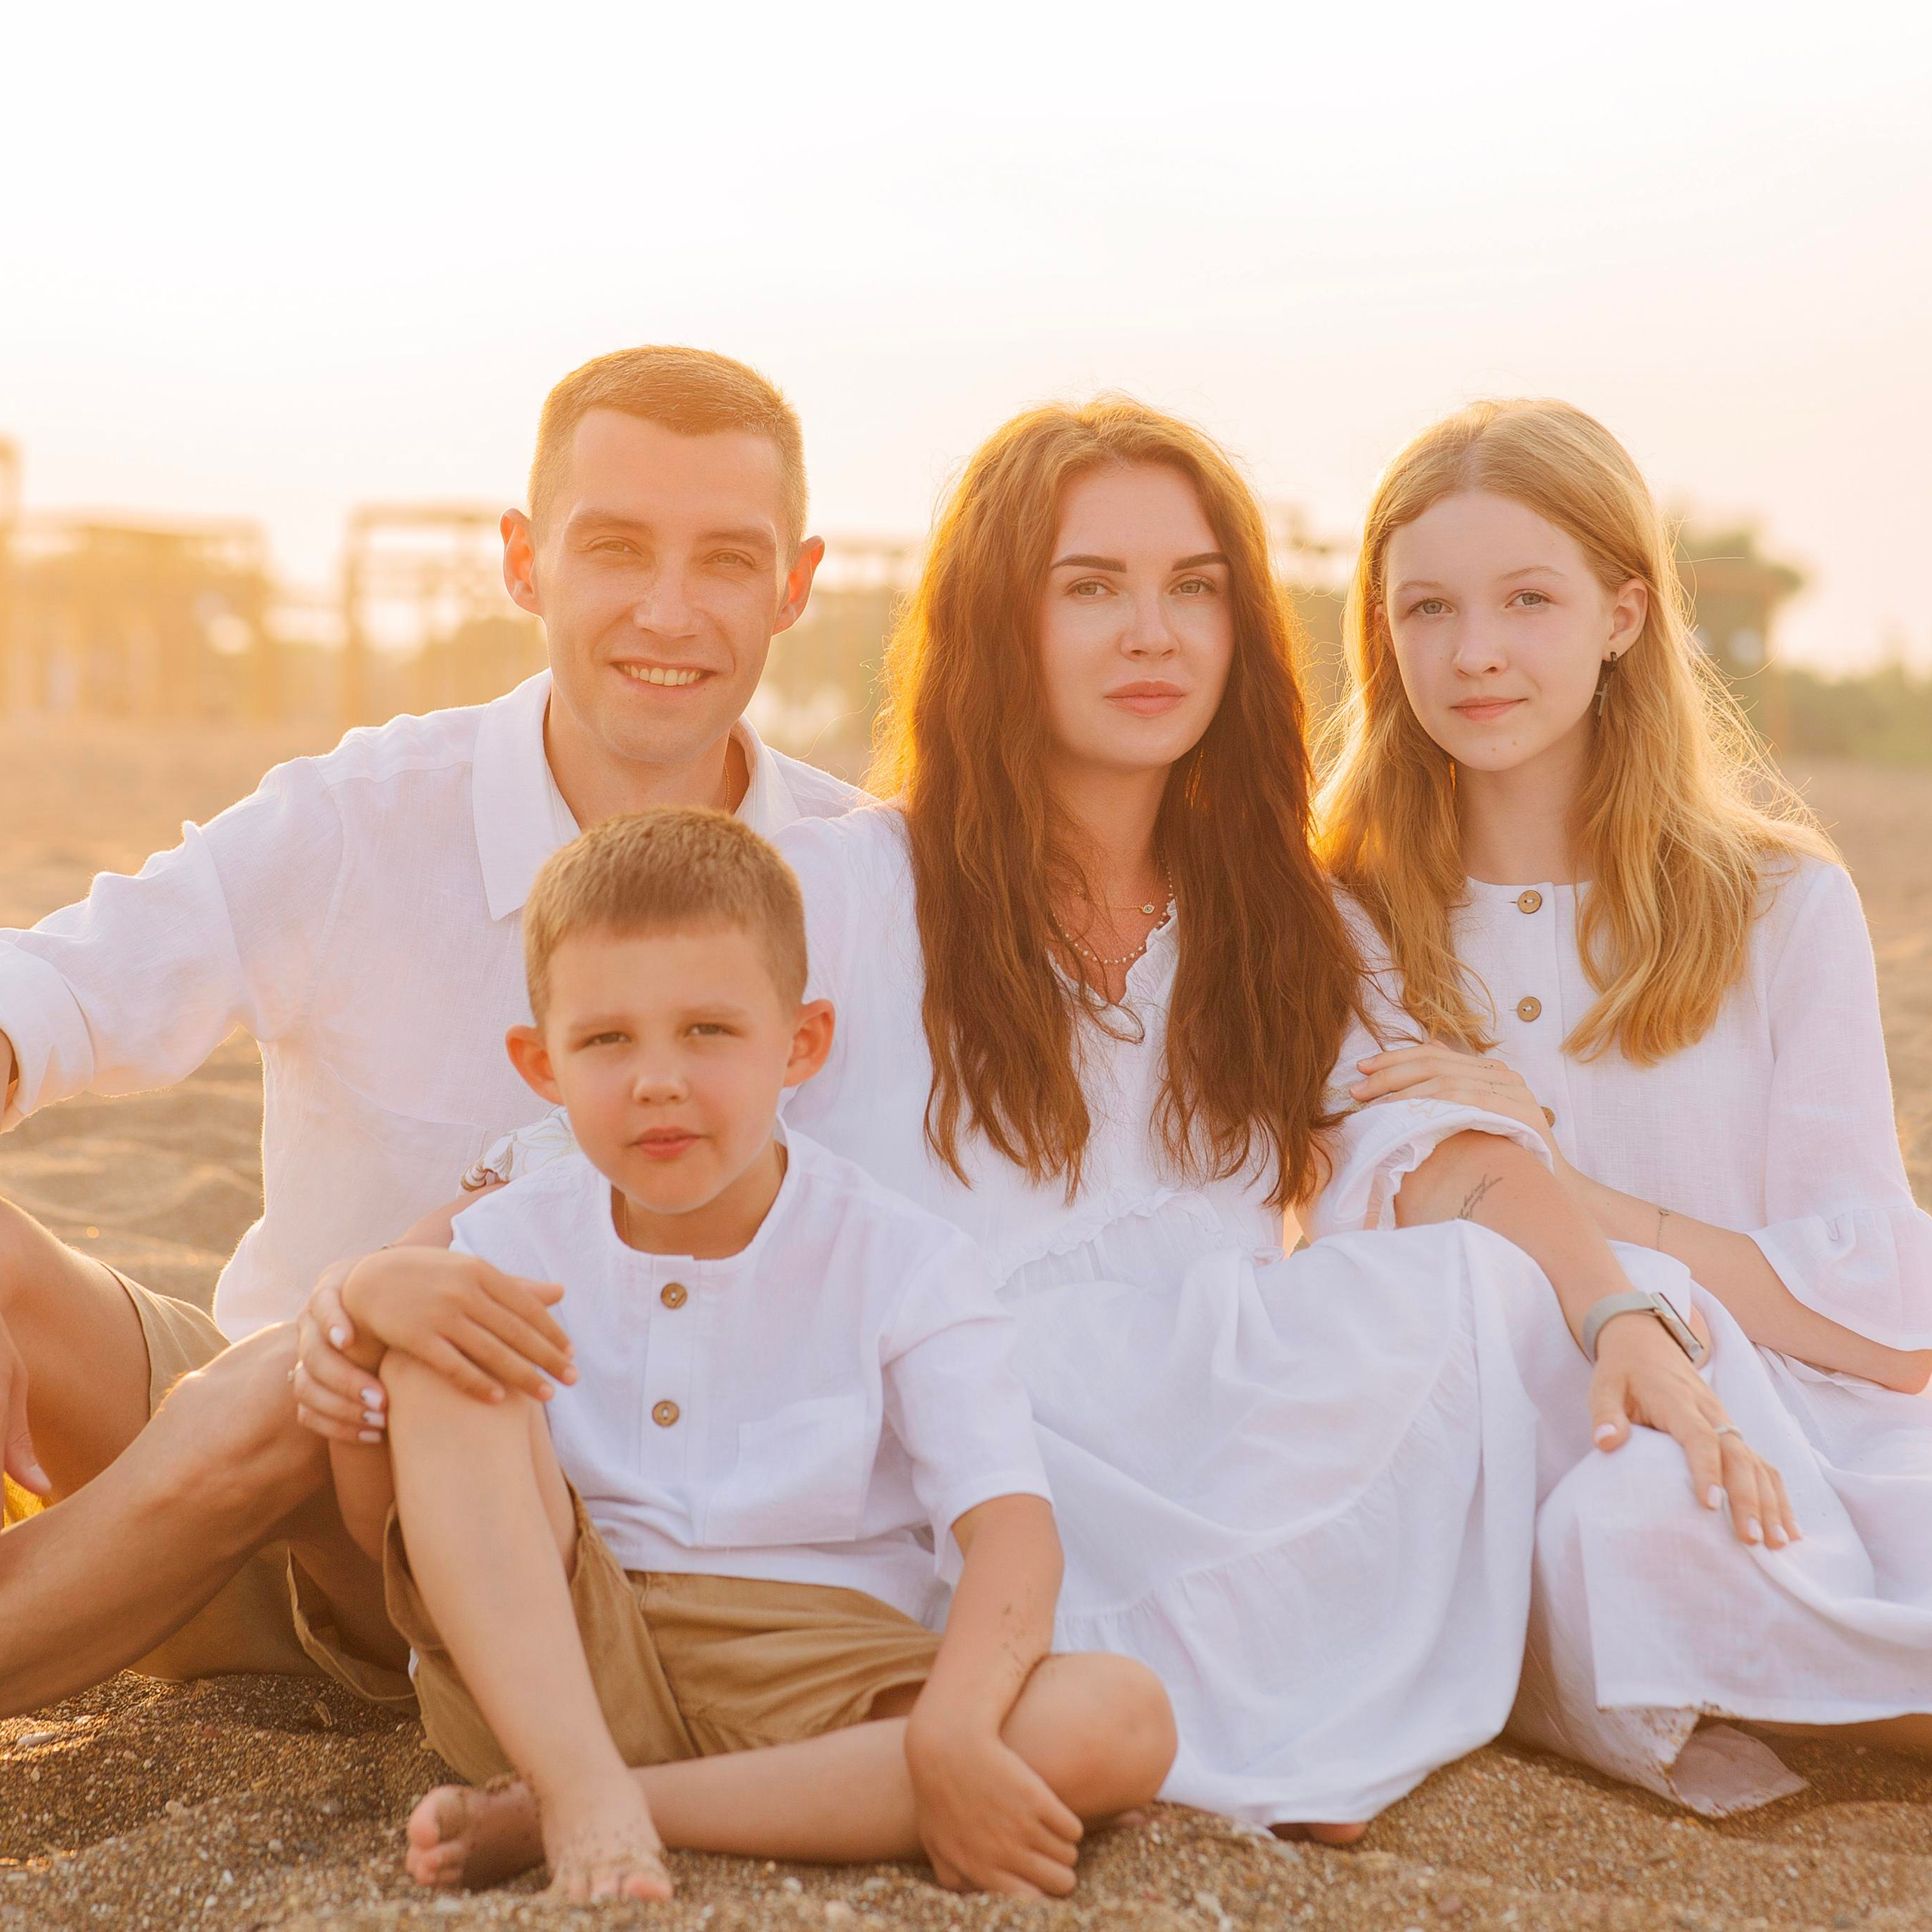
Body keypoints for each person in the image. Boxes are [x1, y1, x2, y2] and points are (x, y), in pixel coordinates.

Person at [421, 396, 1772, 1831]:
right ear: (1000, 624)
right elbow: (609, 1138)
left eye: (1194, 588)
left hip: (1194, 1452)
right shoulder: (845, 889)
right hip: (938, 1467)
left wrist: (1615, 1312)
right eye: (1091, 588)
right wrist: (394, 1276)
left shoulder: (1289, 917)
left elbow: (1431, 1152)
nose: (1153, 634)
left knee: (1493, 1291)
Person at [0, 344, 864, 1712]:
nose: (669, 609)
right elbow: (61, 985)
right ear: (524, 561)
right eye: (617, 548)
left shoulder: (863, 880)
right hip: (219, 1470)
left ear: (795, 586)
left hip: (497, 1544)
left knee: (348, 1351)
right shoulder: (366, 814)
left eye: (726, 560)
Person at [328, 808, 1174, 1903]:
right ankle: (580, 1780)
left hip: (818, 1667)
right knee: (448, 1344)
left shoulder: (900, 1258)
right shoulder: (504, 1245)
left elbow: (1011, 1531)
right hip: (552, 1649)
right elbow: (379, 1525)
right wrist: (375, 1303)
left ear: (801, 1043)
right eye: (607, 1041)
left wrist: (956, 1729)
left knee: (1119, 1719)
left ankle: (569, 1811)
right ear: (541, 1063)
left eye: (709, 1032)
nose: (659, 1080)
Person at [1315, 395, 1932, 1813]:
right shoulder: (1343, 920)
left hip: (1816, 1417)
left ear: (1625, 615)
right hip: (1543, 1433)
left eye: (1529, 599)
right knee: (1638, 1526)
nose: (1474, 652)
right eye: (1427, 609)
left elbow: (1883, 1328)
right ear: (1383, 636)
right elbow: (1378, 1237)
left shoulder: (1780, 902)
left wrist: (1568, 1188)